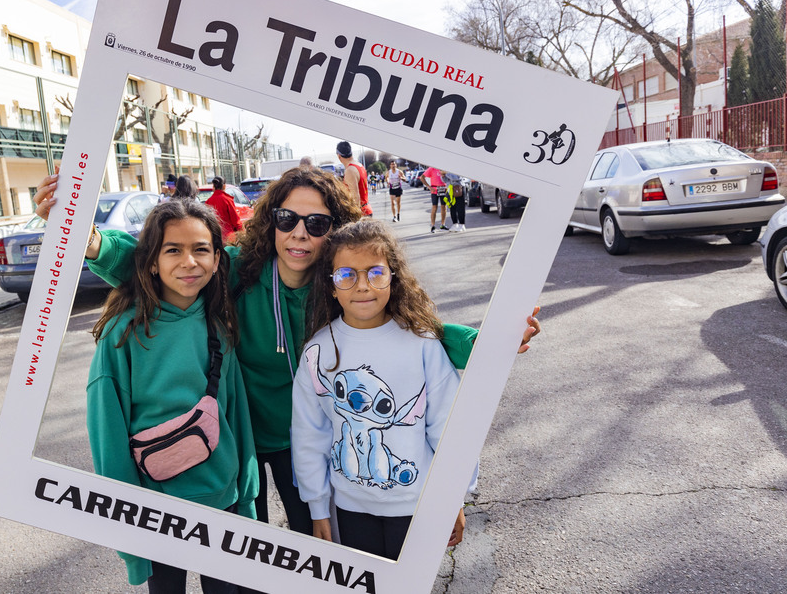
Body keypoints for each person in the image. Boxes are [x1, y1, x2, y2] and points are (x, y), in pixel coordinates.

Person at [33, 167, 540, 537]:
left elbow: (413, 325)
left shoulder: (343, 284)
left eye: (317, 224)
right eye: (288, 218)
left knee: (315, 538)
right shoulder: (236, 270)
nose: (300, 232)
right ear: (271, 221)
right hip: (245, 436)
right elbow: (149, 263)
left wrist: (489, 340)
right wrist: (90, 237)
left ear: (333, 231)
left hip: (311, 435)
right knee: (249, 547)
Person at [86, 198, 258, 592]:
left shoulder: (219, 327)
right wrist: (131, 540)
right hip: (157, 512)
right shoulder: (122, 335)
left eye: (201, 250)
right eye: (173, 250)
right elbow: (108, 440)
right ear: (150, 261)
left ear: (217, 260)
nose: (189, 262)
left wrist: (246, 502)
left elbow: (237, 420)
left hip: (224, 504)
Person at [290, 220, 466, 558]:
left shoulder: (421, 344)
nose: (362, 286)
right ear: (331, 286)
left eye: (375, 273)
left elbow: (448, 427)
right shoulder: (320, 350)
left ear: (393, 277)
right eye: (346, 275)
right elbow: (309, 434)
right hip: (351, 508)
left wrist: (453, 498)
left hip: (416, 505)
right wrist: (318, 508)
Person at [336, 141, 372, 217]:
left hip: (361, 213)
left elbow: (355, 197)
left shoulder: (350, 170)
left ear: (339, 156)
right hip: (366, 209)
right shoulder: (360, 165)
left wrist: (355, 217)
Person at [205, 176, 244, 242]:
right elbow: (235, 221)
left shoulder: (208, 202)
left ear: (213, 187)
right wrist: (242, 233)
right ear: (224, 186)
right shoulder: (227, 200)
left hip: (214, 237)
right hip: (228, 237)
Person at [422, 166, 448, 233]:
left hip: (443, 189)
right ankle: (433, 226)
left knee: (444, 207)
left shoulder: (445, 168)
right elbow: (422, 177)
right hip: (434, 190)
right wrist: (429, 187)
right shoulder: (432, 168)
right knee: (434, 207)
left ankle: (443, 225)